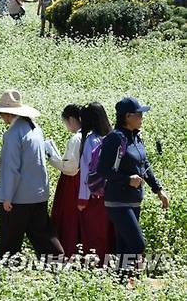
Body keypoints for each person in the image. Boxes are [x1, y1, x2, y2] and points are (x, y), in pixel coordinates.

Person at [0, 90, 64, 258]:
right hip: (38, 195)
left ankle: (6, 270)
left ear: (7, 113)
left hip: (18, 198)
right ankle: (59, 264)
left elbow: (11, 168)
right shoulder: (34, 128)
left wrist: (7, 197)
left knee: (9, 240)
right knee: (43, 236)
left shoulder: (13, 134)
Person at [97, 97, 168, 274]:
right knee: (137, 243)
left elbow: (145, 166)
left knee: (124, 246)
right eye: (139, 114)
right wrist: (127, 179)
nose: (142, 117)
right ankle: (127, 279)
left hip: (134, 200)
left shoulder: (136, 137)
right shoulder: (114, 138)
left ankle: (121, 282)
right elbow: (103, 169)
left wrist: (158, 190)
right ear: (128, 116)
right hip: (118, 200)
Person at [77, 102, 115, 264]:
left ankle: (97, 266)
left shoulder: (91, 141)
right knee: (111, 232)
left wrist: (82, 199)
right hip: (116, 193)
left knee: (94, 233)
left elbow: (87, 173)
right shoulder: (113, 137)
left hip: (96, 196)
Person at [47, 104, 82, 257]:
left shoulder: (76, 138)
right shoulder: (91, 135)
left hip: (72, 182)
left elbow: (70, 168)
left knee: (68, 218)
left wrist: (51, 158)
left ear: (71, 119)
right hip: (82, 181)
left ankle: (68, 252)